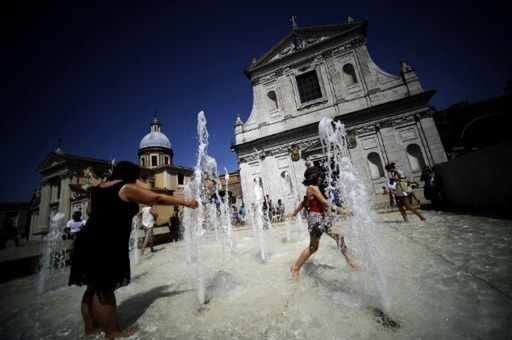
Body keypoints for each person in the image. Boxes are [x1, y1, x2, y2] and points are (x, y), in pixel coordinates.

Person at [68, 161, 198, 338]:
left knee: (92, 286)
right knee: (104, 289)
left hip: (87, 239)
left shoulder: (97, 189)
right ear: (129, 175)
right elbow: (156, 198)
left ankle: (90, 329)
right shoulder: (125, 187)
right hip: (105, 242)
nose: (137, 181)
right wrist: (186, 202)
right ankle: (113, 332)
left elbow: (90, 211)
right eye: (136, 177)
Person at [290, 166, 356, 280]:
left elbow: (303, 202)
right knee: (313, 248)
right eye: (320, 175)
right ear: (314, 176)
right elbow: (325, 202)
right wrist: (342, 210)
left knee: (339, 237)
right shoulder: (312, 188)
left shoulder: (314, 188)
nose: (322, 177)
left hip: (323, 218)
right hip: (316, 220)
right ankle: (295, 268)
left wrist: (295, 212)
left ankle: (351, 262)